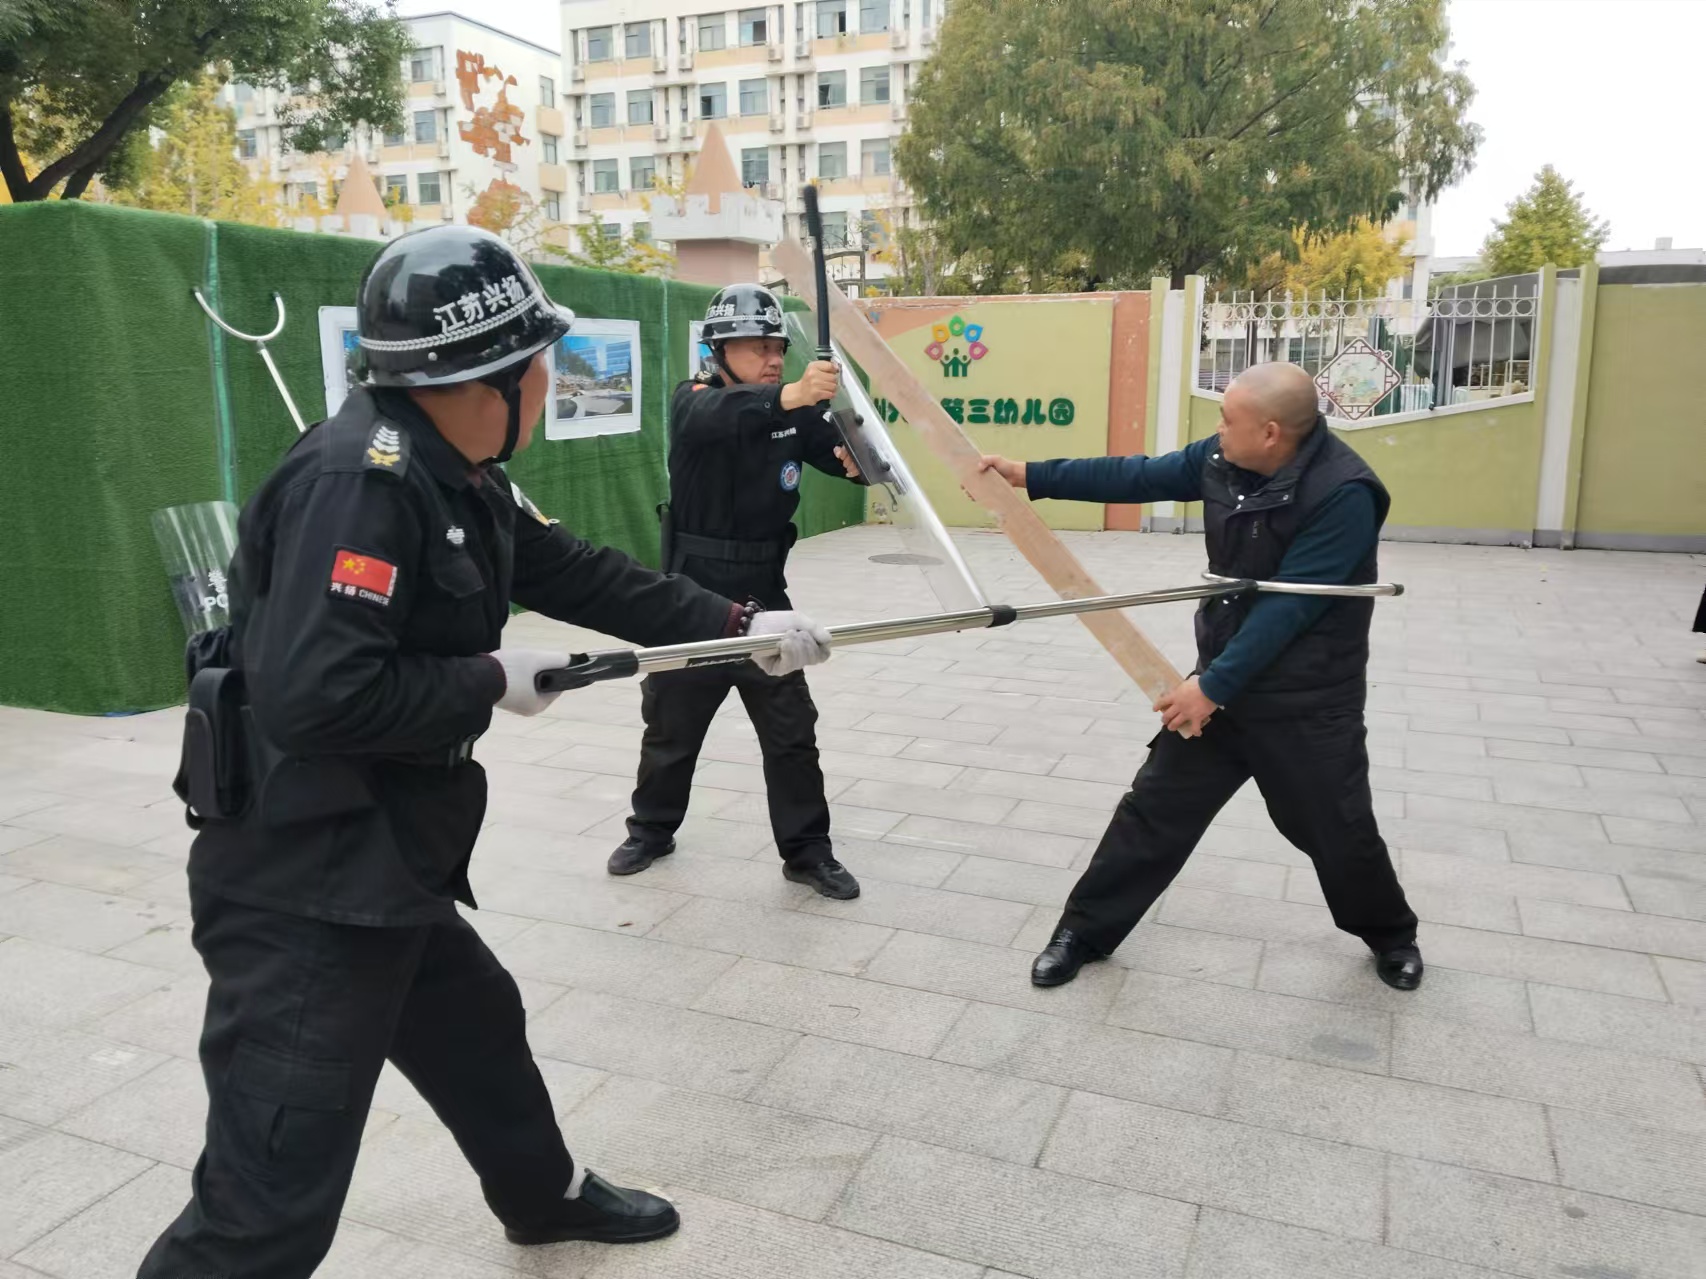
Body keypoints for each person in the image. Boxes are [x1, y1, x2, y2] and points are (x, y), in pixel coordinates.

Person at [139, 226, 834, 1278]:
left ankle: (540, 1197)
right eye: (538, 360)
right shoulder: (359, 481)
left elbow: (579, 571)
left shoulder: (453, 469)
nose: (551, 376)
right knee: (267, 1201)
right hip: (302, 887)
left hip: (385, 856)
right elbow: (315, 695)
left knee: (476, 1026)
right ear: (484, 378)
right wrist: (488, 680)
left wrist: (739, 622)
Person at [979, 361, 1424, 993]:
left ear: (1270, 433)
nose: (1217, 431)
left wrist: (1211, 687)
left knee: (1336, 828)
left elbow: (1290, 609)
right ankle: (1083, 932)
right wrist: (1030, 476)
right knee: (1154, 811)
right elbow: (1140, 474)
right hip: (1220, 685)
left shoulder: (1344, 493)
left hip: (1307, 700)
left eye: (1227, 420)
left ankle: (1391, 935)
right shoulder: (1223, 460)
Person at [608, 284, 867, 899]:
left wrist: (855, 455)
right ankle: (651, 829)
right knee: (671, 726)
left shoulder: (791, 413)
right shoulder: (693, 401)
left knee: (791, 732)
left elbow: (831, 450)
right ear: (719, 350)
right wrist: (791, 393)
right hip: (691, 594)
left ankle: (807, 851)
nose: (773, 357)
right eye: (757, 347)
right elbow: (725, 415)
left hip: (766, 595)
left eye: (778, 346)